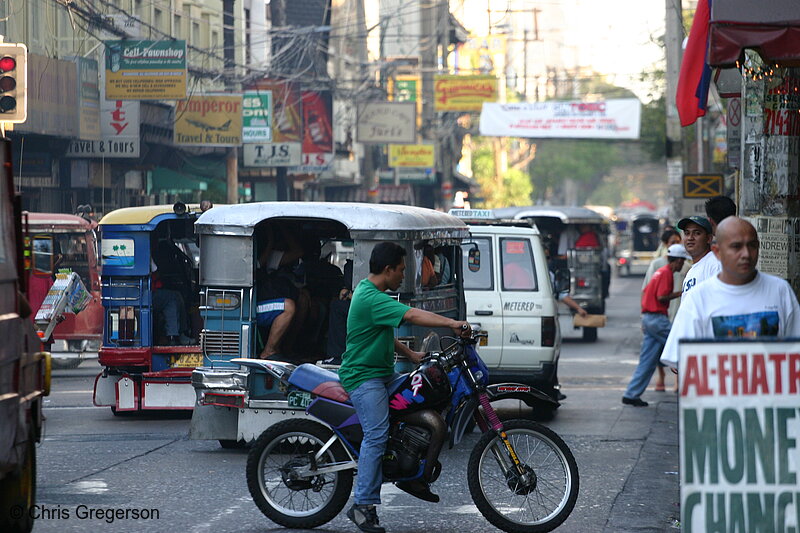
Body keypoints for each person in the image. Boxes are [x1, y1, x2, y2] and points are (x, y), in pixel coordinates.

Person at [338, 242, 470, 533]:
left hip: (382, 374)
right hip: (363, 377)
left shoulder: (371, 292)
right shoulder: (371, 297)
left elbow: (381, 330)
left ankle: (412, 473)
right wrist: (452, 323)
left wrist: (410, 355)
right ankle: (363, 506)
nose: (403, 275)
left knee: (420, 401)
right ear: (387, 270)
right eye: (401, 270)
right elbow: (410, 315)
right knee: (376, 433)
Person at [661, 217, 800, 369]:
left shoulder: (780, 290)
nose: (746, 254)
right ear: (718, 252)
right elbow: (680, 360)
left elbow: (795, 350)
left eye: (752, 246)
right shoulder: (697, 298)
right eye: (736, 247)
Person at [621, 243, 691, 407]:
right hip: (657, 319)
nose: (682, 265)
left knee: (647, 361)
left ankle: (631, 394)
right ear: (678, 261)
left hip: (649, 318)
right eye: (682, 261)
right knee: (683, 347)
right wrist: (682, 293)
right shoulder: (666, 273)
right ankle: (697, 388)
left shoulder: (660, 272)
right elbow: (661, 297)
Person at [641, 229, 686, 392]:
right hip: (660, 315)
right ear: (666, 245)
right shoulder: (659, 266)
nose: (675, 245)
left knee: (672, 346)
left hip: (677, 311)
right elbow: (648, 290)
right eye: (672, 242)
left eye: (678, 242)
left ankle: (678, 381)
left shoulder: (686, 266)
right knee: (669, 347)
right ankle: (661, 377)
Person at [256, 223, 304, 359]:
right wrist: (271, 240)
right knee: (288, 306)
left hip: (259, 302)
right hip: (248, 308)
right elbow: (262, 262)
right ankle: (268, 351)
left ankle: (284, 349)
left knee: (301, 299)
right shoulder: (250, 256)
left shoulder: (269, 255)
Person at [677, 215, 720, 294]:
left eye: (697, 233)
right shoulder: (692, 270)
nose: (690, 238)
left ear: (708, 238)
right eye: (687, 233)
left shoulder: (714, 264)